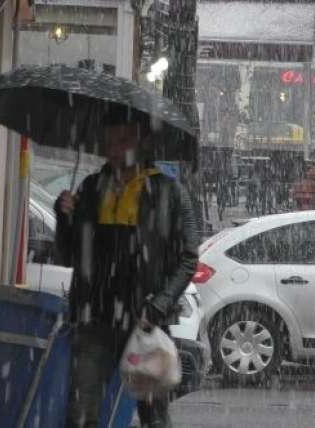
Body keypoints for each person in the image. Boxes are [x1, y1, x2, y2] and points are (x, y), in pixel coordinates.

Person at [55, 113, 198, 428]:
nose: (114, 150)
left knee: (154, 417)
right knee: (80, 412)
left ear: (143, 142)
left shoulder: (168, 193)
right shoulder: (92, 188)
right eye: (109, 142)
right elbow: (68, 255)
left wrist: (158, 306)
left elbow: (188, 258)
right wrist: (63, 217)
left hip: (144, 319)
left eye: (123, 141)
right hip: (94, 316)